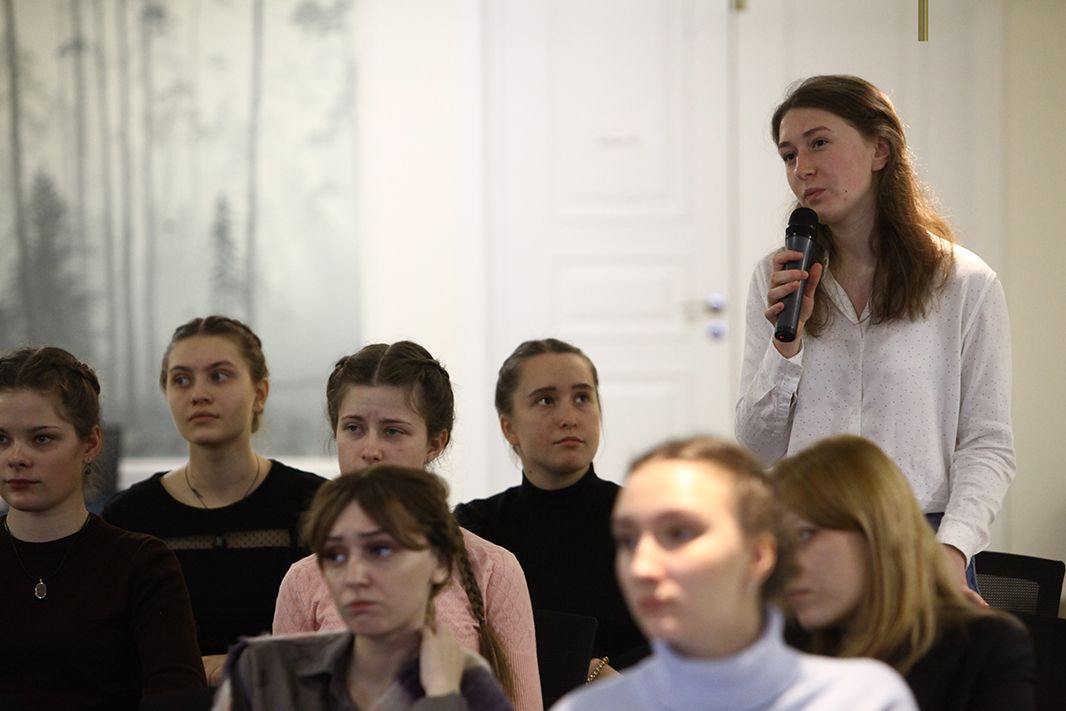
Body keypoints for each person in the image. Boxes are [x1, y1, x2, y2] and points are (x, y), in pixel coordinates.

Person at [736, 75, 1014, 589]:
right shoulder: (777, 278)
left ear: (879, 150)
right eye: (789, 155)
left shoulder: (963, 283)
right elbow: (758, 448)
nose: (802, 169)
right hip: (805, 543)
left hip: (921, 542)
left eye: (819, 143)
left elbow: (987, 443)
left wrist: (952, 551)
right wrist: (786, 344)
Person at [552, 435, 917, 711]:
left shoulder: (862, 699)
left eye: (679, 533)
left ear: (758, 554)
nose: (642, 567)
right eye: (628, 540)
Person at [272, 341, 540, 710]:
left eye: (393, 431)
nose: (370, 449)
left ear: (435, 443)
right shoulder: (304, 581)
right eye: (354, 428)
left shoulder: (492, 569)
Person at [103, 316, 326, 683]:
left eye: (219, 376)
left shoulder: (315, 504)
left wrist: (242, 666)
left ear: (260, 393)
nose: (198, 394)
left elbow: (338, 640)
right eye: (181, 380)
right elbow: (111, 653)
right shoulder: (128, 516)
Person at [0, 346, 205, 709]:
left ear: (91, 444)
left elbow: (178, 699)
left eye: (42, 438)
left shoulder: (141, 565)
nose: (16, 457)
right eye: (1, 439)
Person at [214, 466, 513, 711]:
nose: (354, 576)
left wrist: (441, 698)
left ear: (440, 563)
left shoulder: (467, 683)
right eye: (335, 555)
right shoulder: (264, 671)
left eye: (380, 550)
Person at [771, 435, 1035, 711]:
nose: (786, 563)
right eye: (779, 544)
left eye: (805, 534)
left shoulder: (983, 647)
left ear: (875, 532)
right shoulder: (788, 643)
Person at [454, 338, 646, 676]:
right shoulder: (476, 529)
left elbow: (688, 634)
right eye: (546, 400)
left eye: (582, 398)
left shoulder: (646, 519)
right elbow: (471, 641)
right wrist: (583, 670)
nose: (569, 417)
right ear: (509, 427)